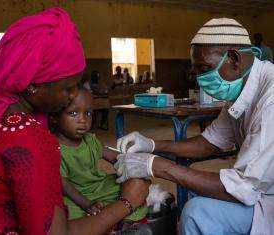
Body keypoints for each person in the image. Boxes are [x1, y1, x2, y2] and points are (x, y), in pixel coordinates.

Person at [0, 7, 150, 235]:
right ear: (32, 85)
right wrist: (127, 203)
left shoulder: (3, 117)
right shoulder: (30, 139)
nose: (72, 95)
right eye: (67, 88)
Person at [115, 18, 274, 235]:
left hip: (267, 200)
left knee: (196, 212)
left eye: (204, 68)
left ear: (234, 59)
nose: (200, 79)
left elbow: (244, 186)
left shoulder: (270, 100)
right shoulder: (242, 91)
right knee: (196, 193)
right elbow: (209, 143)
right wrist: (151, 144)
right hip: (263, 191)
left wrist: (158, 166)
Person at [49, 87, 148, 224]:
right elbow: (64, 184)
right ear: (54, 117)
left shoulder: (89, 140)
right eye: (73, 113)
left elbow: (115, 157)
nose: (83, 120)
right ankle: (112, 217)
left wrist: (136, 166)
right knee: (63, 212)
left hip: (100, 186)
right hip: (75, 194)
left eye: (88, 113)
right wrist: (86, 204)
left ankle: (128, 224)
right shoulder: (52, 147)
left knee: (137, 188)